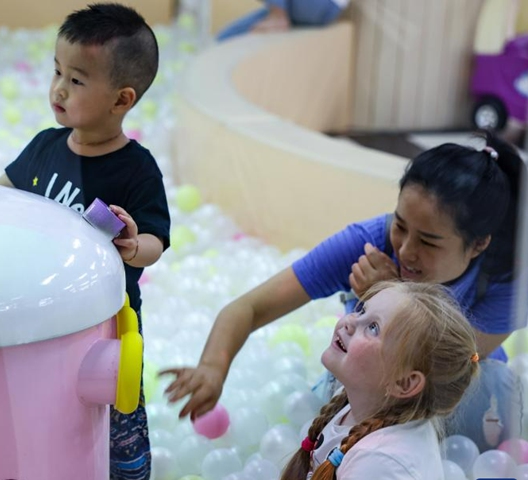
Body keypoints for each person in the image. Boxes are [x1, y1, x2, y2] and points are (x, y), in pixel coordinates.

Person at [161, 133, 524, 451]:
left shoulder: (507, 278)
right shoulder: (369, 243)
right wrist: (212, 367)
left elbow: (441, 371)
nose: (406, 250)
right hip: (367, 389)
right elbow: (250, 307)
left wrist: (386, 293)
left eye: (428, 241)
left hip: (462, 399)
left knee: (484, 383)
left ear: (477, 245)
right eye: (400, 225)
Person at [0, 4, 171, 479]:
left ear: (122, 99)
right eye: (57, 71)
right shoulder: (46, 145)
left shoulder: (137, 168)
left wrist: (133, 244)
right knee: (43, 413)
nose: (59, 88)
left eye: (78, 80)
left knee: (118, 423)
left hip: (105, 325)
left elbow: (156, 241)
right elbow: (4, 201)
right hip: (40, 318)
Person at [278, 281, 479, 479]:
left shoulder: (379, 463)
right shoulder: (358, 401)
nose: (349, 321)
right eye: (361, 310)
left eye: (373, 328)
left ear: (404, 383)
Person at [216, 0, 350, 42]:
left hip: (321, 4)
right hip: (311, 10)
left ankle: (277, 17)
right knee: (225, 38)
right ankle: (277, 15)